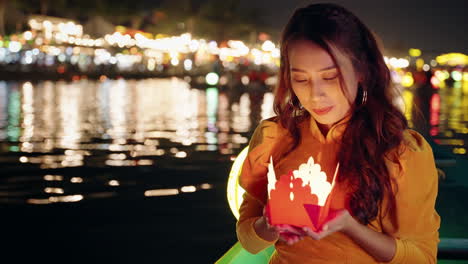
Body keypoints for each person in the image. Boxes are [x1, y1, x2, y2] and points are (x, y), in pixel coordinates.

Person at [236, 3, 440, 263]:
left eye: (330, 77)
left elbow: (422, 257)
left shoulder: (400, 152)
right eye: (301, 79)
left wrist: (349, 227)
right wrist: (270, 225)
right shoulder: (274, 137)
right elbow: (249, 241)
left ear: (362, 72)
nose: (315, 94)